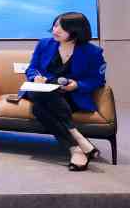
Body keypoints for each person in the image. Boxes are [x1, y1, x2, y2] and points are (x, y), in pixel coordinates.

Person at [23, 12, 106, 171]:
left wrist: (77, 85)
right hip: (42, 89)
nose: (55, 30)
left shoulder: (93, 52)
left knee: (38, 109)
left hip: (70, 96)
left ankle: (76, 148)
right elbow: (32, 68)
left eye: (62, 28)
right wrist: (35, 77)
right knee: (43, 92)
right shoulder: (44, 44)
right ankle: (77, 139)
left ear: (76, 31)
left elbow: (97, 80)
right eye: (55, 26)